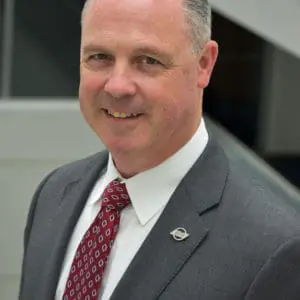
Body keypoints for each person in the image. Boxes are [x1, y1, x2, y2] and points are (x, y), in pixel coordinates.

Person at [19, 0, 300, 299]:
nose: (117, 86)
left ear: (204, 64)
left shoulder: (272, 248)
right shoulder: (54, 195)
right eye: (99, 56)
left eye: (148, 60)